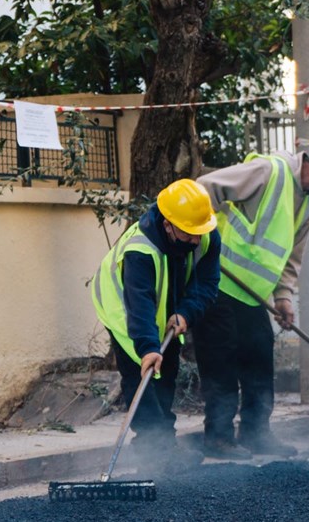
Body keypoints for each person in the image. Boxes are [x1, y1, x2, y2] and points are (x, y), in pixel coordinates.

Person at [193, 132, 309, 459]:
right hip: (217, 283)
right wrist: (197, 240)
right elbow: (203, 187)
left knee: (259, 360)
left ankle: (256, 434)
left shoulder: (308, 202)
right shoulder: (269, 171)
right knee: (221, 363)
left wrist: (283, 296)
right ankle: (219, 438)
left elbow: (292, 254)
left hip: (253, 295)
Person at [92, 177, 222, 467]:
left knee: (169, 371)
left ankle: (165, 446)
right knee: (142, 376)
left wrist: (186, 313)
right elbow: (139, 305)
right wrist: (148, 348)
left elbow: (209, 283)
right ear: (167, 225)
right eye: (189, 233)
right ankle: (151, 451)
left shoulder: (205, 233)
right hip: (125, 311)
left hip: (169, 310)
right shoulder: (140, 251)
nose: (195, 240)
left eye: (198, 233)